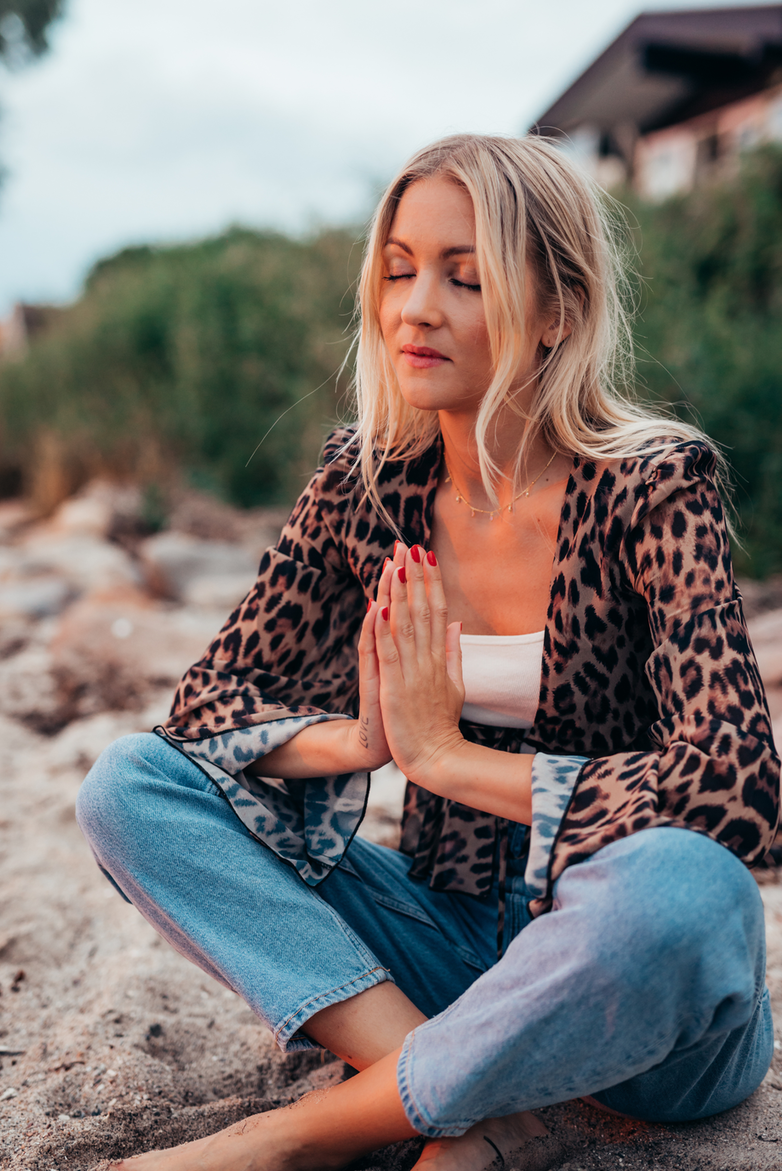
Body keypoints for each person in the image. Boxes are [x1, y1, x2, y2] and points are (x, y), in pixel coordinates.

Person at [77, 134, 780, 1171]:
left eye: (467, 276)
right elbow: (209, 706)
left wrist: (442, 756)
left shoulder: (652, 485)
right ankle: (453, 1091)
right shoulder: (367, 480)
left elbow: (740, 792)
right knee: (131, 785)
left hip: (629, 996)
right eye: (400, 269)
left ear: (557, 310)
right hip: (443, 946)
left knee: (690, 888)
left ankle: (302, 1133)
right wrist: (363, 738)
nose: (416, 307)